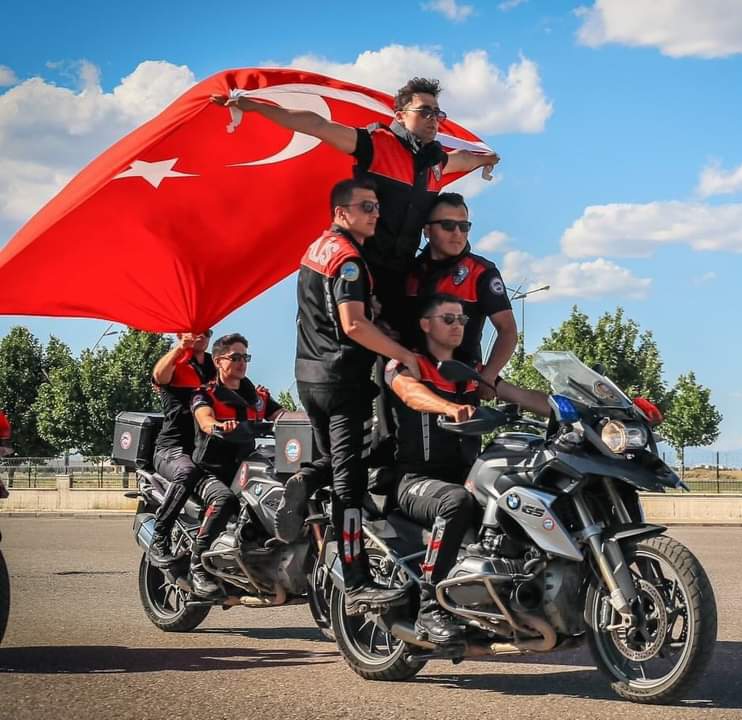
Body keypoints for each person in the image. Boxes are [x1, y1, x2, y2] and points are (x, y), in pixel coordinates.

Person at [212, 77, 499, 335]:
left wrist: (486, 158)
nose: (433, 119)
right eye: (424, 111)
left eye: (437, 113)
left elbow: (464, 158)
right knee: (352, 356)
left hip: (401, 278)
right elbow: (316, 125)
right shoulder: (375, 145)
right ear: (400, 115)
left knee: (401, 358)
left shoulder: (436, 162)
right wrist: (254, 106)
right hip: (359, 271)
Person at [280, 177, 421, 613]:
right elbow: (354, 325)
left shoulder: (316, 249)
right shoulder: (350, 260)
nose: (377, 214)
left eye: (377, 206)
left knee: (336, 461)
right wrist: (402, 354)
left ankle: (305, 480)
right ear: (341, 212)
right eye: (367, 207)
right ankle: (357, 579)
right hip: (344, 381)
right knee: (351, 478)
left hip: (309, 376)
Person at [385, 294, 550, 643]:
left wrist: (575, 408)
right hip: (416, 480)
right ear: (425, 324)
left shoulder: (470, 372)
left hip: (466, 476)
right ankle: (430, 608)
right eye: (448, 319)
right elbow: (409, 393)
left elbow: (519, 395)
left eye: (462, 320)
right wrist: (447, 407)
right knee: (455, 500)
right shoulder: (407, 363)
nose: (458, 325)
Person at [189, 333, 284, 596]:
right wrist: (219, 425)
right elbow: (205, 419)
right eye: (236, 357)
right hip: (209, 471)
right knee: (224, 500)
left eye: (245, 357)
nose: (242, 362)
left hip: (244, 470)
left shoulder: (259, 397)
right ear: (218, 361)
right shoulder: (205, 393)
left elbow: (283, 416)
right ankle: (197, 566)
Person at [404, 192, 517, 394]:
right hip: (413, 383)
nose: (457, 233)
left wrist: (488, 376)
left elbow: (507, 330)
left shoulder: (482, 272)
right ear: (427, 230)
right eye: (448, 225)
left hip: (461, 387)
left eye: (464, 226)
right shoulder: (409, 271)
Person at [148, 331, 217, 566]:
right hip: (172, 449)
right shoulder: (175, 363)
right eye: (195, 332)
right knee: (187, 472)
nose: (202, 336)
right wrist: (180, 347)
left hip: (204, 450)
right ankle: (160, 535)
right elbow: (159, 374)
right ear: (180, 334)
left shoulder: (213, 365)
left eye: (207, 332)